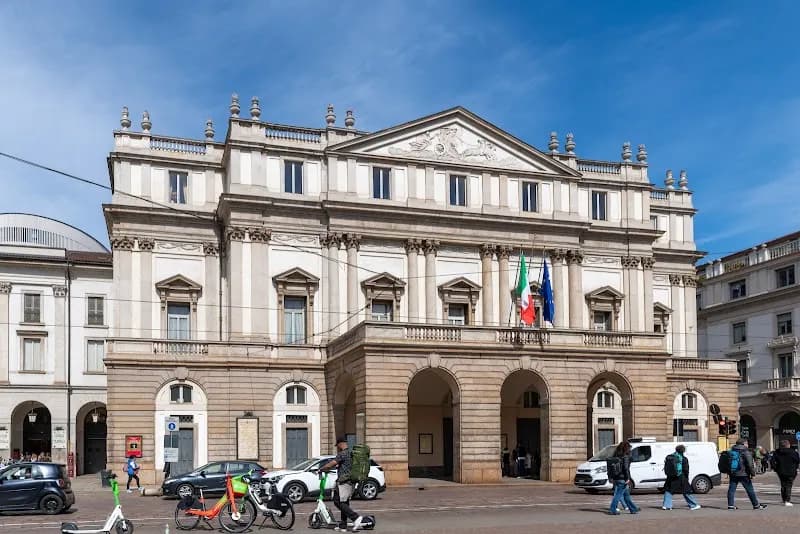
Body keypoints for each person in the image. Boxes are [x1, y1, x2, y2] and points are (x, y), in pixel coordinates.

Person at [321, 437, 365, 532]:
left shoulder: (342, 454)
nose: (338, 447)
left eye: (338, 445)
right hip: (351, 481)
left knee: (338, 501)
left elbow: (331, 464)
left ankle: (356, 517)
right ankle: (343, 526)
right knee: (344, 503)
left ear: (341, 444)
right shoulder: (351, 453)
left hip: (344, 481)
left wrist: (321, 469)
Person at [727, 439, 767, 510]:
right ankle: (756, 505)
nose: (747, 445)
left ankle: (730, 505)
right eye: (747, 443)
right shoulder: (746, 451)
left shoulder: (732, 451)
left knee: (731, 489)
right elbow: (750, 464)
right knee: (750, 490)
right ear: (743, 444)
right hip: (744, 474)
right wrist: (753, 473)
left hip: (733, 473)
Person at [662, 444, 701, 510]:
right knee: (686, 491)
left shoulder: (669, 457)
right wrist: (686, 477)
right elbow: (686, 469)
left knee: (668, 490)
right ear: (683, 451)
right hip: (681, 477)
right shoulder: (684, 459)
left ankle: (666, 505)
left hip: (670, 477)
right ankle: (693, 505)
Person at [607, 441, 639, 515]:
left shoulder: (615, 456)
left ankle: (633, 509)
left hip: (616, 478)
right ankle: (612, 509)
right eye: (629, 448)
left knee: (626, 494)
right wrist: (628, 478)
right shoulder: (625, 457)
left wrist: (610, 477)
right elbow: (626, 468)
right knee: (618, 495)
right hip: (623, 478)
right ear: (627, 449)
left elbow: (609, 468)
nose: (630, 450)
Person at [771, 440, 800, 506]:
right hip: (791, 471)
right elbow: (797, 460)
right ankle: (787, 500)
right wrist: (795, 467)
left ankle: (784, 499)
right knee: (788, 485)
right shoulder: (793, 452)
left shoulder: (777, 452)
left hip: (781, 471)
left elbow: (772, 461)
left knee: (783, 485)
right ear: (788, 445)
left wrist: (775, 468)